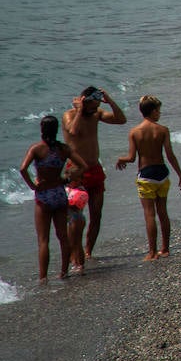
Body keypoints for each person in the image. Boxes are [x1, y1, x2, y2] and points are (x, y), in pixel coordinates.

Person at [115, 95, 181, 261]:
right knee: (163, 212)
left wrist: (121, 159)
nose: (160, 113)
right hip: (162, 173)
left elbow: (132, 158)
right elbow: (170, 155)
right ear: (153, 111)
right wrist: (180, 175)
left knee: (149, 214)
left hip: (146, 175)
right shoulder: (162, 130)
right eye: (158, 110)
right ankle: (165, 249)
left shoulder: (135, 132)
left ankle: (152, 252)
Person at [19, 114, 89, 281]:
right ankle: (63, 272)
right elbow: (83, 166)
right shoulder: (64, 149)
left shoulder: (36, 149)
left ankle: (43, 277)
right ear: (57, 130)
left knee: (43, 240)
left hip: (43, 195)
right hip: (59, 193)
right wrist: (67, 179)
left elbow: (23, 169)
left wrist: (32, 186)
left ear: (42, 130)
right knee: (62, 236)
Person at [62, 86, 127, 260]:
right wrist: (81, 110)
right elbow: (73, 132)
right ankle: (74, 253)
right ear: (84, 101)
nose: (95, 109)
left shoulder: (96, 114)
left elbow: (121, 120)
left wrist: (109, 100)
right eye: (92, 105)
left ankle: (88, 251)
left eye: (97, 105)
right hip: (76, 172)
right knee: (75, 219)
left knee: (96, 214)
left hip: (95, 169)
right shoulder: (69, 115)